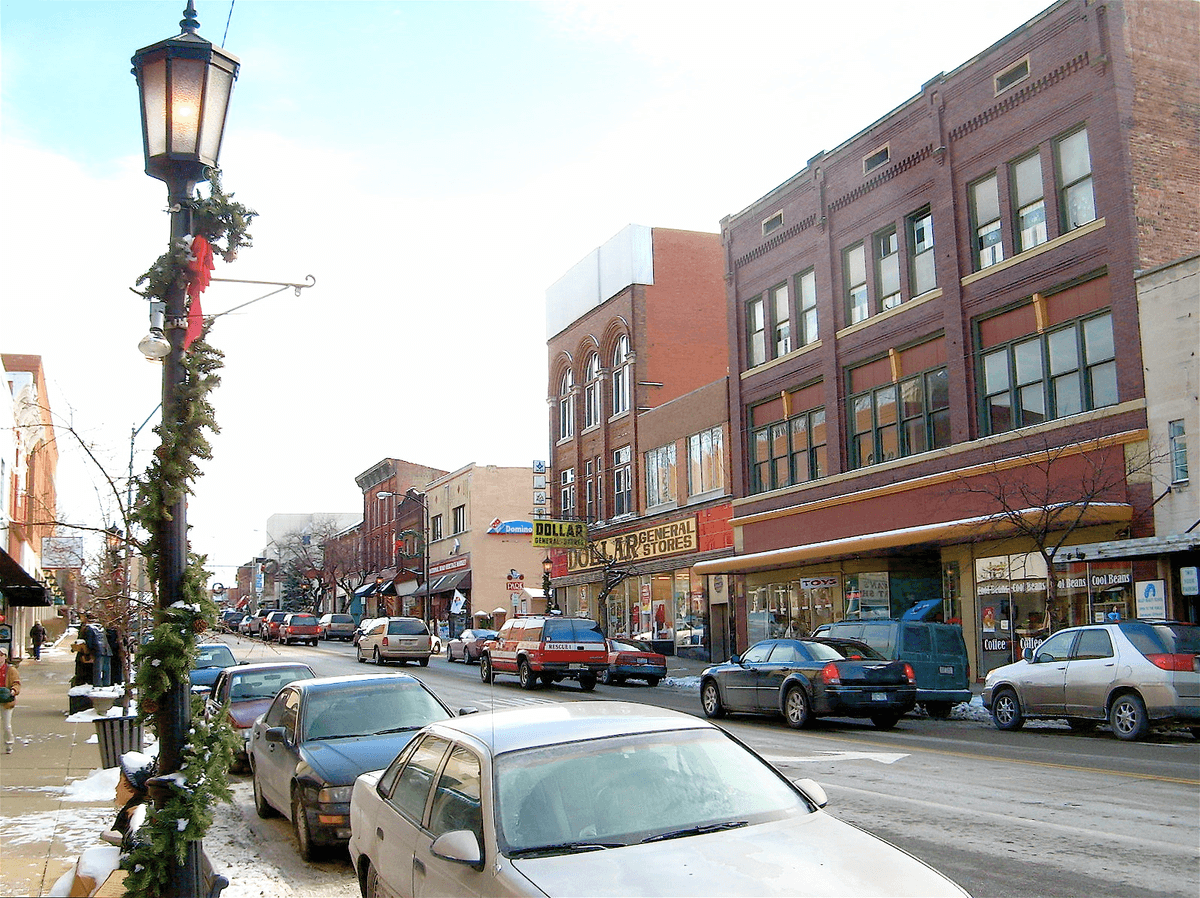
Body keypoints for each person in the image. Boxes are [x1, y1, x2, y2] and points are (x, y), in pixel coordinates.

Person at [0, 647, 22, 753]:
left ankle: (9, 744)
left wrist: (13, 691)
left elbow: (16, 683)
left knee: (6, 726)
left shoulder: (11, 670)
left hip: (6, 700)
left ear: (5, 657)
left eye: (1, 655)